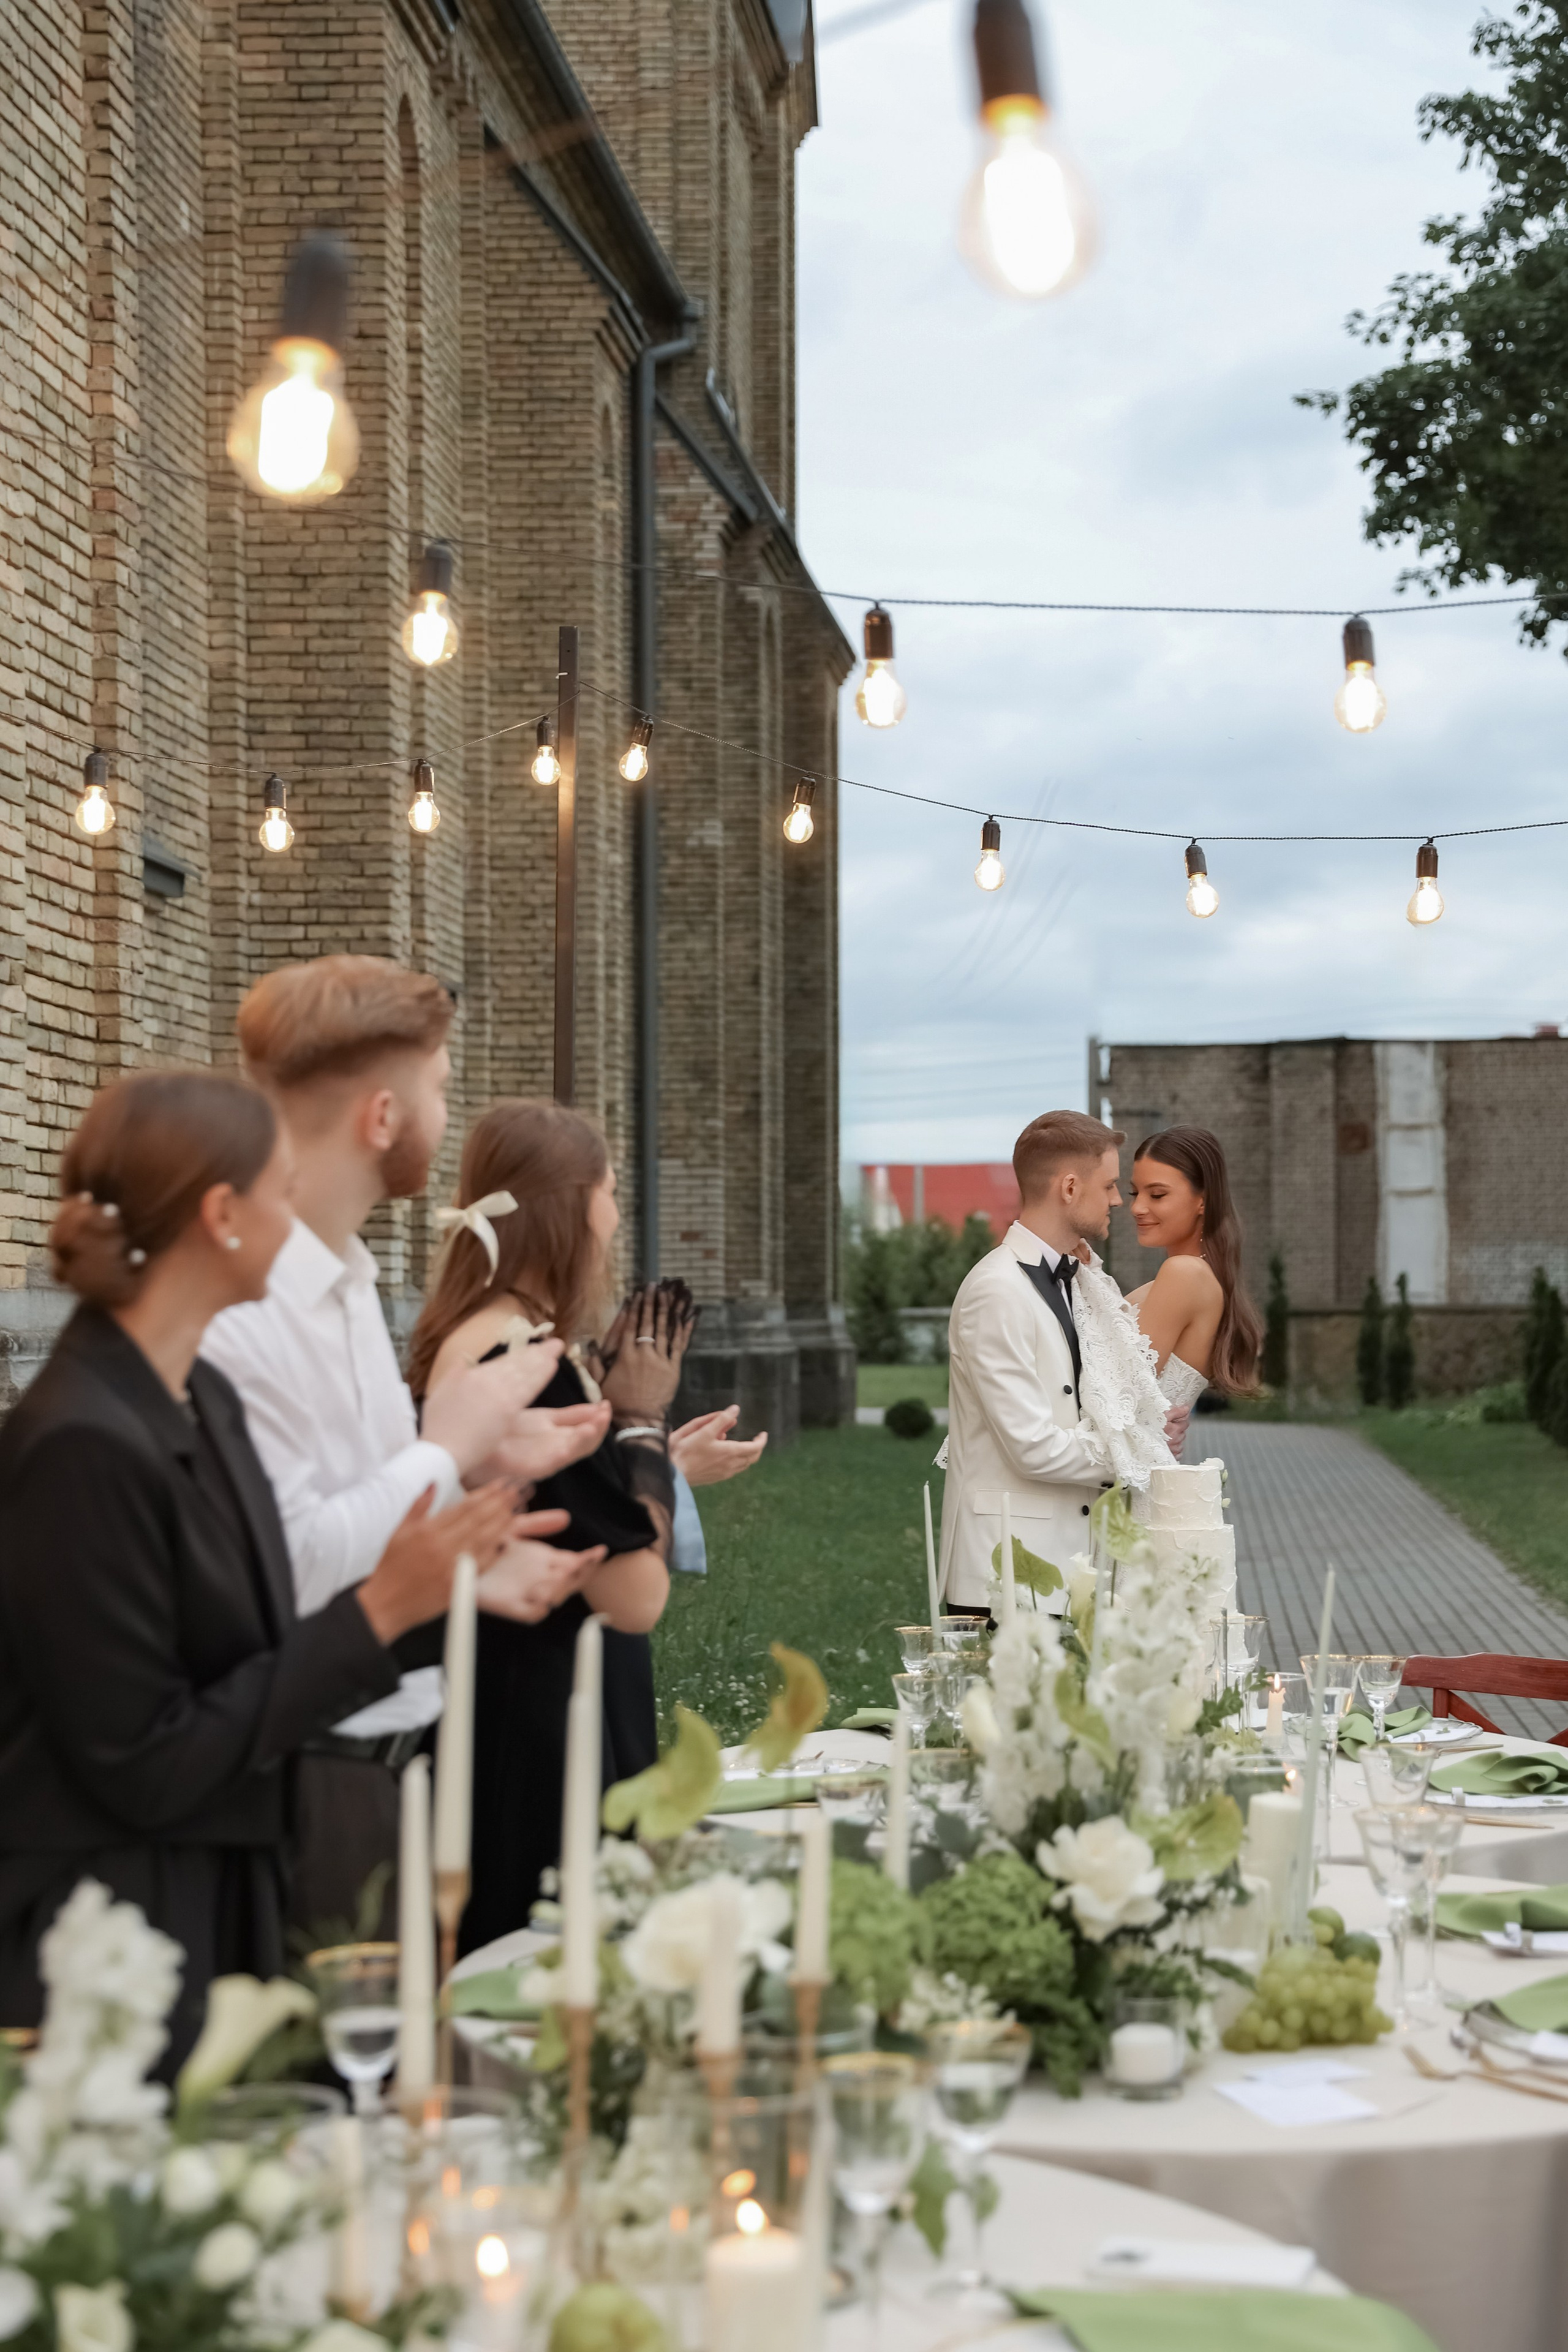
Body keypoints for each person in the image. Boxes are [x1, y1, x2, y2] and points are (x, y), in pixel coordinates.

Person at [0, 1072, 520, 2067]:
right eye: (281, 1195)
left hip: (233, 1895)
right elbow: (142, 1761)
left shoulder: (204, 1398)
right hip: (115, 1949)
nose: (300, 1225)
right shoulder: (76, 1442)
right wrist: (377, 1615)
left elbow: (265, 1630)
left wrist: (453, 1576)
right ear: (221, 1216)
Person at [203, 957, 609, 1937]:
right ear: (382, 1118)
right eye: (436, 1085)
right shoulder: (244, 1314)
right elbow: (287, 1563)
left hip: (400, 1762)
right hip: (310, 1780)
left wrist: (480, 1510)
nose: (445, 1108)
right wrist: (445, 1447)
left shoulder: (344, 1281)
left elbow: (376, 1511)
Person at [406, 1099, 692, 1950]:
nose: (613, 1219)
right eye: (607, 1193)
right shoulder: (523, 1359)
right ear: (571, 1209)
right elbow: (637, 1592)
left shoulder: (471, 1336)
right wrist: (640, 1421)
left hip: (502, 1689)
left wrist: (655, 1457)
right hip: (540, 1718)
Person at [940, 1110, 1128, 1616]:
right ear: (1070, 1187)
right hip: (1002, 1579)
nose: (1117, 1199)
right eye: (1109, 1185)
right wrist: (1134, 1451)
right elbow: (1033, 1447)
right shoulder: (996, 1291)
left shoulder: (1076, 1279)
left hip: (1061, 1572)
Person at [1125, 1126, 1262, 1404]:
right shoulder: (1195, 1275)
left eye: (1157, 1195)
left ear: (1203, 1200)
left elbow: (1125, 1393)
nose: (1137, 1208)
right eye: (1134, 1193)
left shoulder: (1184, 1274)